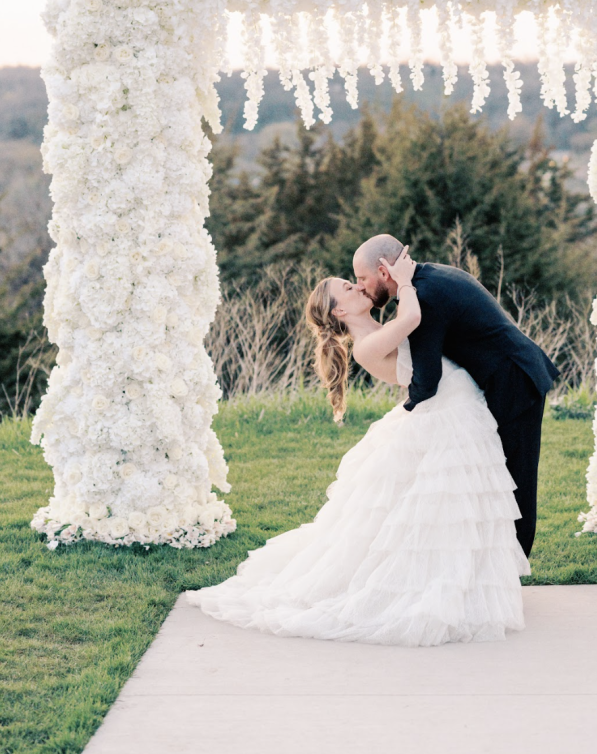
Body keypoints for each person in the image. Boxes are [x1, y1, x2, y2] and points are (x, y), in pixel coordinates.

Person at [184, 245, 530, 647]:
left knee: (453, 511)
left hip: (451, 411)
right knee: (445, 510)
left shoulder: (373, 331)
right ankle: (436, 591)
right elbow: (414, 317)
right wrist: (403, 283)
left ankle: (461, 585)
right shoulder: (367, 344)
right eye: (347, 287)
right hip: (446, 415)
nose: (356, 286)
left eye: (354, 280)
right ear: (339, 312)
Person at [352, 234, 560, 558]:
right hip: (510, 376)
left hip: (514, 382)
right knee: (501, 478)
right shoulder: (430, 275)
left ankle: (512, 569)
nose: (361, 286)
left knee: (514, 481)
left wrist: (404, 420)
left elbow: (426, 380)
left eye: (362, 278)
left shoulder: (425, 295)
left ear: (383, 270)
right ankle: (499, 566)